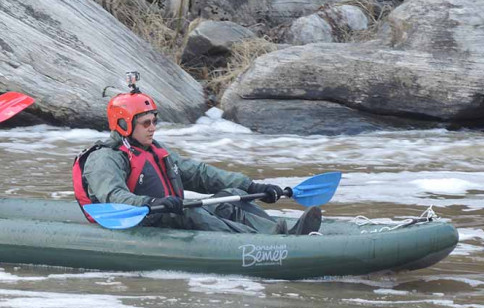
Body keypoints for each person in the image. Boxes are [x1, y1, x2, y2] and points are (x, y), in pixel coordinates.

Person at [72, 78, 321, 235]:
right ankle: (267, 241)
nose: (153, 127)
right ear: (124, 124)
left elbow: (201, 174)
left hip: (163, 211)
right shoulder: (105, 158)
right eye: (146, 123)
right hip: (138, 221)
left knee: (230, 197)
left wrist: (252, 185)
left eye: (154, 121)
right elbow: (114, 197)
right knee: (188, 211)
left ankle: (281, 233)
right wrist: (151, 203)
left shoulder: (154, 151)